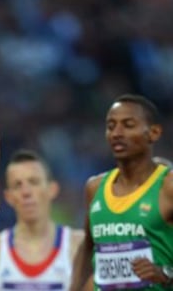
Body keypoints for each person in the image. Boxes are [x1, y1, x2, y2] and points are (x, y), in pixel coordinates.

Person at [69, 94, 173, 291]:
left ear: (154, 133)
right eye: (110, 126)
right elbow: (88, 248)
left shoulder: (168, 187)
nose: (117, 133)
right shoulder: (95, 187)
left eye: (128, 125)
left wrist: (165, 274)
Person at [0, 149, 86, 291]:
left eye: (33, 182)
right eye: (18, 185)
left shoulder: (78, 246)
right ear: (8, 197)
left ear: (52, 189)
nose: (26, 192)